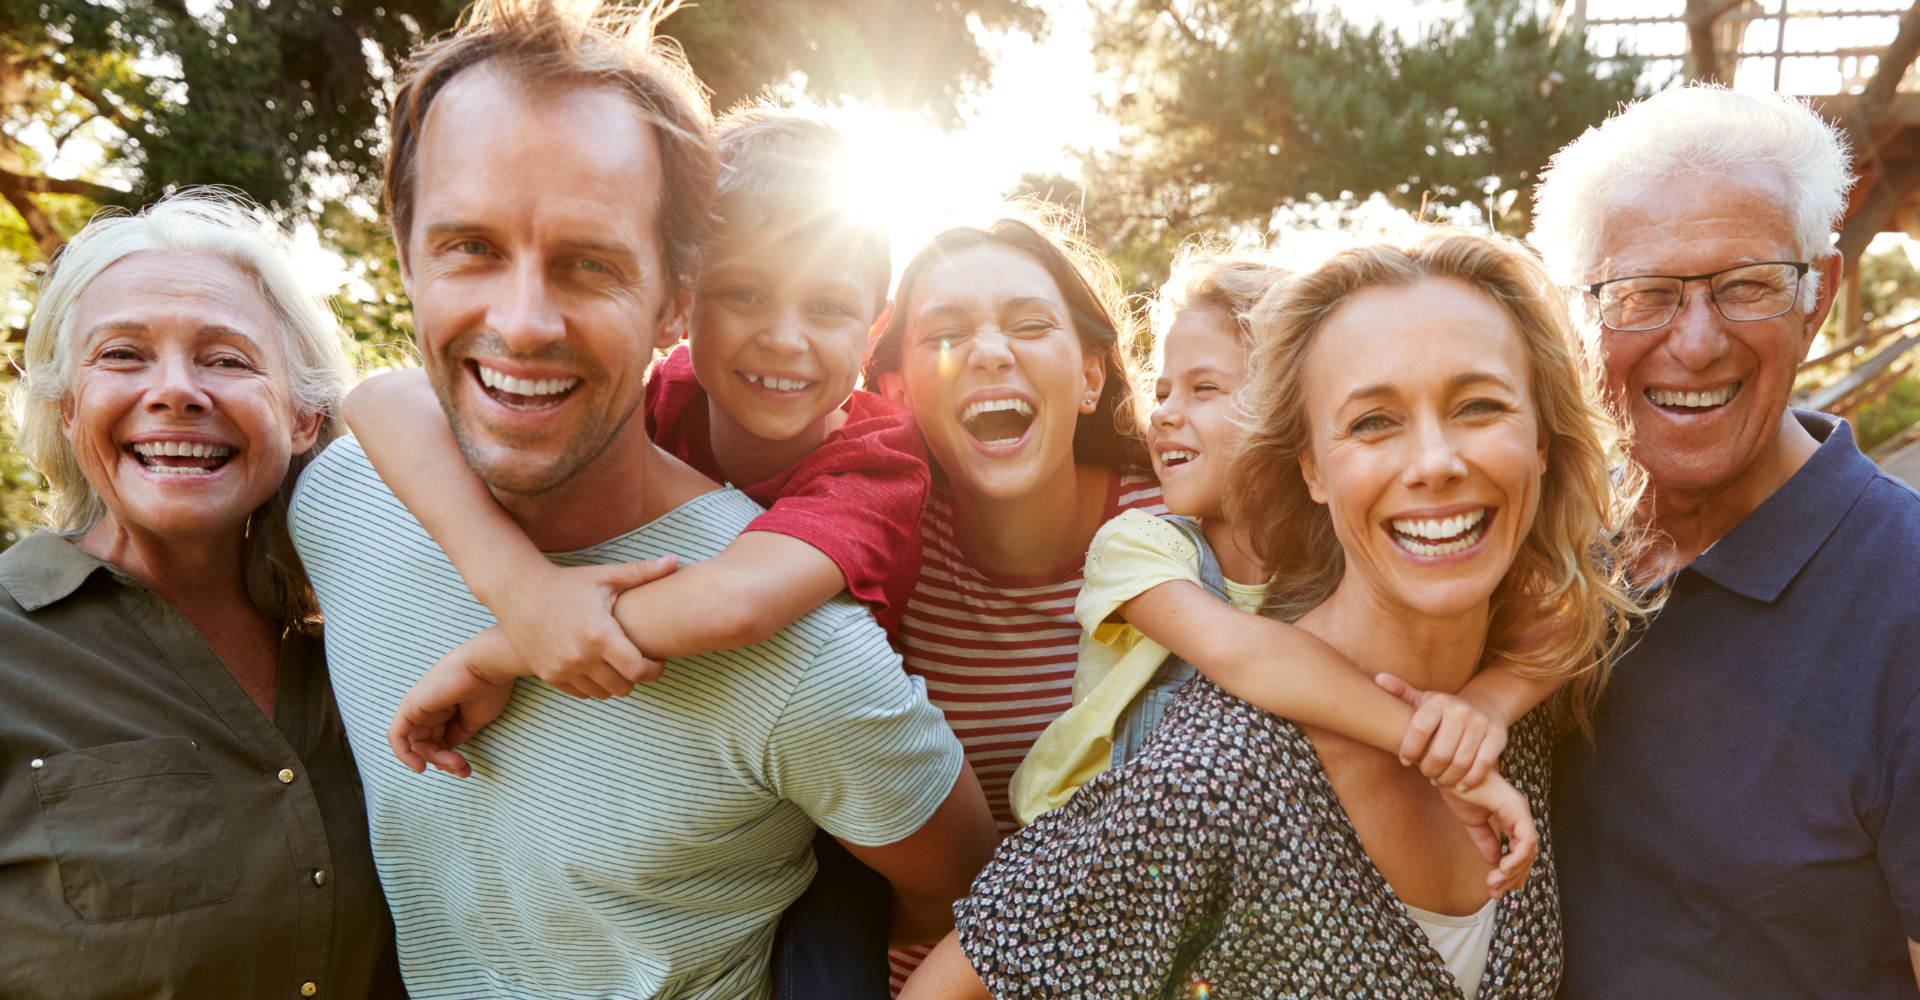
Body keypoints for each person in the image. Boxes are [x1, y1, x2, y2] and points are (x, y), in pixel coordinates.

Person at [287, 3, 996, 997]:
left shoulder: (823, 606)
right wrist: (522, 592)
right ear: (405, 253)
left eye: (589, 263)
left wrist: (514, 644)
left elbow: (966, 881)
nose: (526, 323)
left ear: (668, 295)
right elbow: (376, 395)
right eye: (472, 246)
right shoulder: (335, 502)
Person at [902, 227, 1641, 1000]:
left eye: (1480, 406)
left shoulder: (1518, 697)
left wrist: (1488, 707)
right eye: (1373, 421)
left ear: (1545, 442)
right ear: (1311, 466)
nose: (1435, 462)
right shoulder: (1213, 781)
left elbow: (1592, 586)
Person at [1530, 84, 1920, 998]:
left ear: (1816, 297)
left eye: (1747, 286)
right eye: (1646, 294)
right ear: (1578, 317)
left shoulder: (1906, 598)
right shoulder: (1536, 555)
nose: (1697, 343)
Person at [1009, 248, 1562, 852]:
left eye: (1204, 388)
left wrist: (1487, 705)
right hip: (1092, 851)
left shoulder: (1339, 556)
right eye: (1163, 391)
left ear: (1283, 415)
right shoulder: (1141, 545)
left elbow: (1564, 614)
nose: (1165, 413)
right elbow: (1244, 655)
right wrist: (1438, 747)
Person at [0, 191, 403, 998]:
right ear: (67, 407)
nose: (176, 391)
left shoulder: (372, 641)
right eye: (122, 355)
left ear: (302, 415)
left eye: (227, 359)